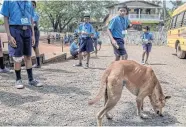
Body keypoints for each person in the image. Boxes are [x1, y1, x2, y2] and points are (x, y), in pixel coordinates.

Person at [1, 1, 43, 89]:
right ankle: (18, 79)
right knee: (17, 57)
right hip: (15, 29)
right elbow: (5, 18)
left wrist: (32, 35)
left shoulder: (29, 2)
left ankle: (31, 79)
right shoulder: (8, 1)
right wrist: (9, 35)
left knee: (28, 56)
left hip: (27, 30)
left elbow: (31, 19)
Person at [32, 1, 41, 68]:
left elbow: (34, 24)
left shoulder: (35, 14)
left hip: (35, 31)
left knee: (35, 47)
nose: (31, 6)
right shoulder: (27, 13)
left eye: (33, 5)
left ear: (35, 6)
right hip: (29, 31)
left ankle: (38, 63)